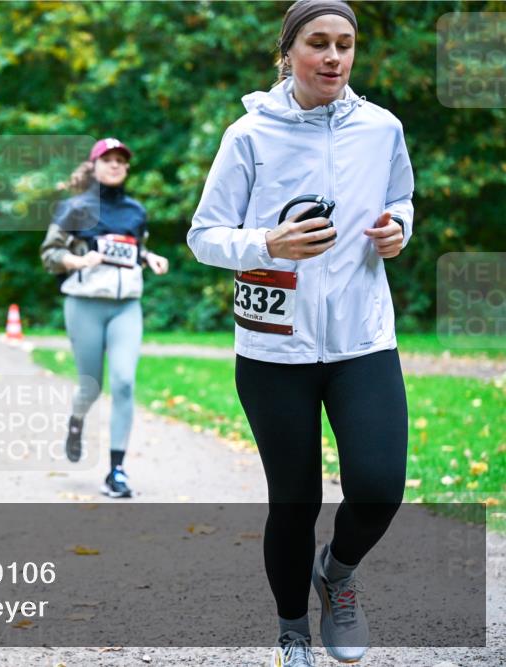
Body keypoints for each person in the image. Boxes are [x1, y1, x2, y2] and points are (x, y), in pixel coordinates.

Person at [186, 1, 414, 664]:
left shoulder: (383, 130)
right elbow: (204, 236)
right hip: (272, 347)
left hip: (362, 338)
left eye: (345, 44)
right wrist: (268, 242)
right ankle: (292, 633)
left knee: (378, 487)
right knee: (295, 499)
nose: (334, 57)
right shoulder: (249, 135)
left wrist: (398, 230)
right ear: (288, 52)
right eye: (318, 43)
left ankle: (336, 573)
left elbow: (400, 202)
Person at [40, 137, 169, 499]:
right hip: (84, 305)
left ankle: (116, 470)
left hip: (126, 304)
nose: (114, 165)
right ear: (93, 165)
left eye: (120, 160)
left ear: (127, 168)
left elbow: (134, 248)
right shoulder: (74, 208)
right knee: (90, 385)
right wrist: (78, 261)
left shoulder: (135, 211)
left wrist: (150, 258)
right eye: (107, 159)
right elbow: (50, 254)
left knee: (125, 382)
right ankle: (77, 419)